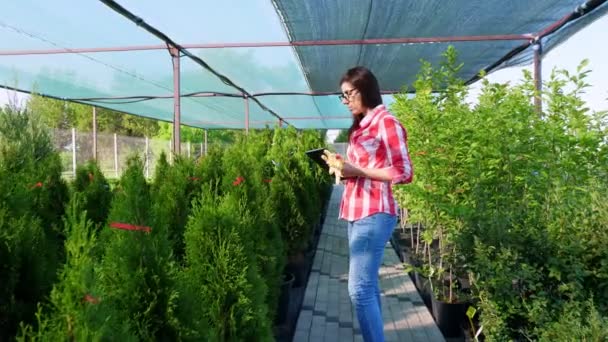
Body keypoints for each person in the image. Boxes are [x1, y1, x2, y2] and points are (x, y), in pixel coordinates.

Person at [331, 66, 413, 342]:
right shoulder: (361, 127)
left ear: (365, 89)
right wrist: (342, 170)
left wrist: (359, 172)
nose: (345, 101)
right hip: (355, 212)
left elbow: (403, 172)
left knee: (359, 289)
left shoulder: (386, 122)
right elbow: (362, 168)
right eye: (342, 97)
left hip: (374, 212)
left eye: (348, 94)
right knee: (367, 287)